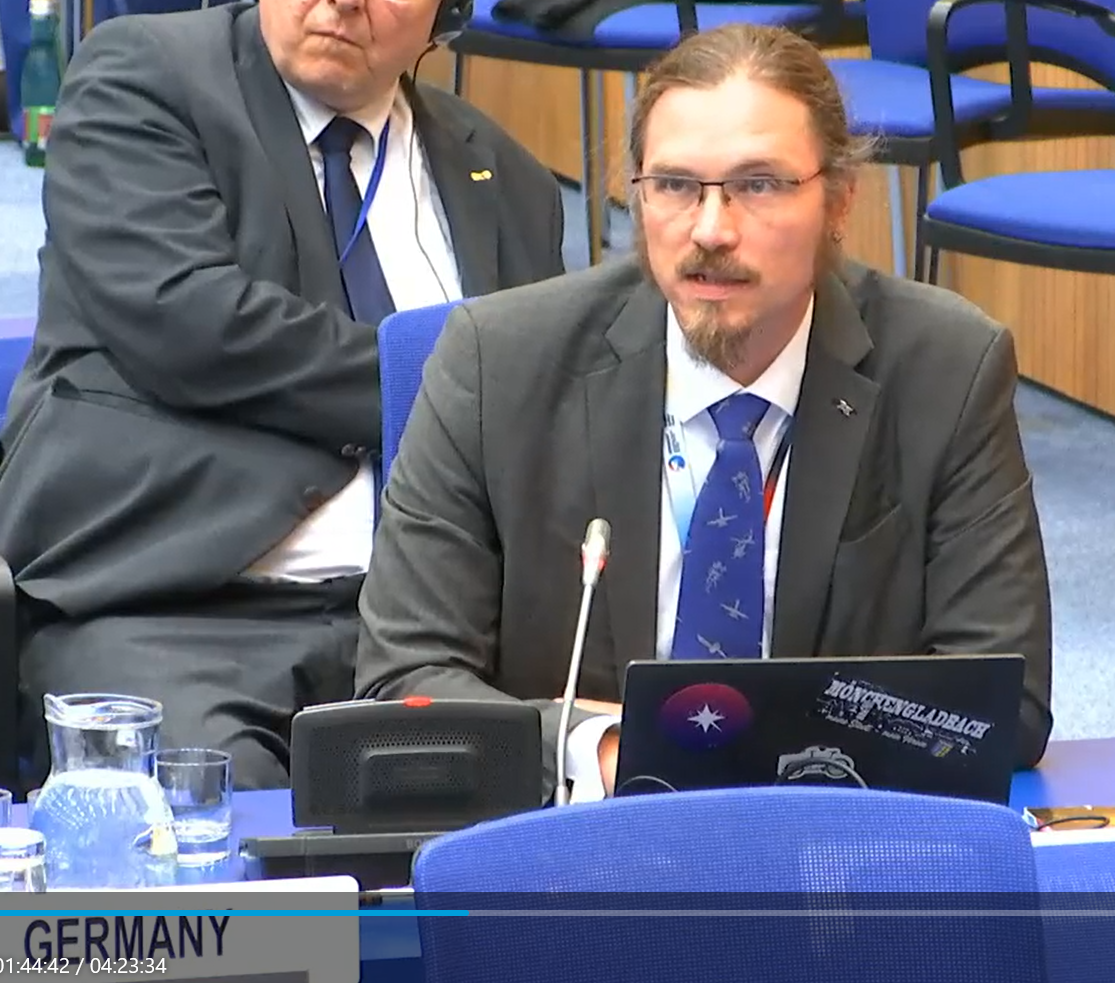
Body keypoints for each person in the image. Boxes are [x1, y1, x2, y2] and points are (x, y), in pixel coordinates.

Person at [354, 23, 1054, 803]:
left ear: (838, 200)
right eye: (674, 185)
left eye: (759, 185)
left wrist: (756, 752)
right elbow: (401, 679)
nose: (711, 229)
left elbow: (1004, 705)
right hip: (577, 837)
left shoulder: (946, 368)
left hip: (827, 841)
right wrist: (606, 749)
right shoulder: (496, 362)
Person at [0, 0, 566, 791]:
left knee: (595, 786)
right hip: (179, 611)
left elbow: (545, 408)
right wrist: (459, 383)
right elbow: (193, 326)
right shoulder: (145, 78)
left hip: (431, 633)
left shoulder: (509, 180)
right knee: (218, 825)